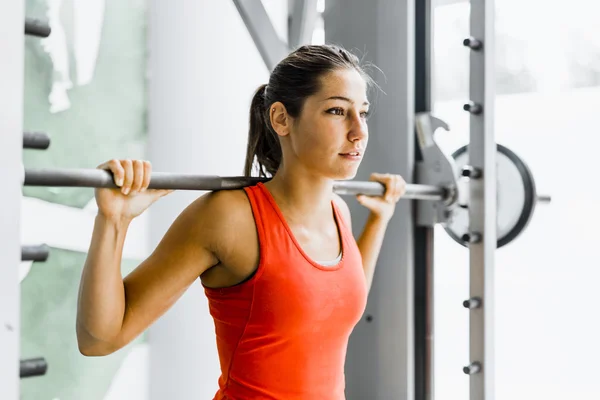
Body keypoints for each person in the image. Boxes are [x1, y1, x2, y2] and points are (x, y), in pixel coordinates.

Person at [76, 44, 407, 400]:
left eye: (364, 112)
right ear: (281, 119)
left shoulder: (336, 212)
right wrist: (113, 220)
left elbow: (334, 300)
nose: (358, 131)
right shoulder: (228, 217)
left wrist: (379, 220)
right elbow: (100, 339)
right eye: (337, 111)